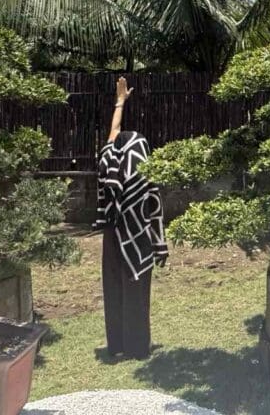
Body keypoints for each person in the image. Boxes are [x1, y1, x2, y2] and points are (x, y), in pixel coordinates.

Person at [94, 77, 167, 359]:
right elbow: (154, 207)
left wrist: (120, 102)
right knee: (137, 290)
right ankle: (137, 348)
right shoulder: (142, 167)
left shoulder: (108, 159)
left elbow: (114, 132)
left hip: (112, 233)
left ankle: (117, 345)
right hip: (137, 235)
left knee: (114, 290)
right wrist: (158, 243)